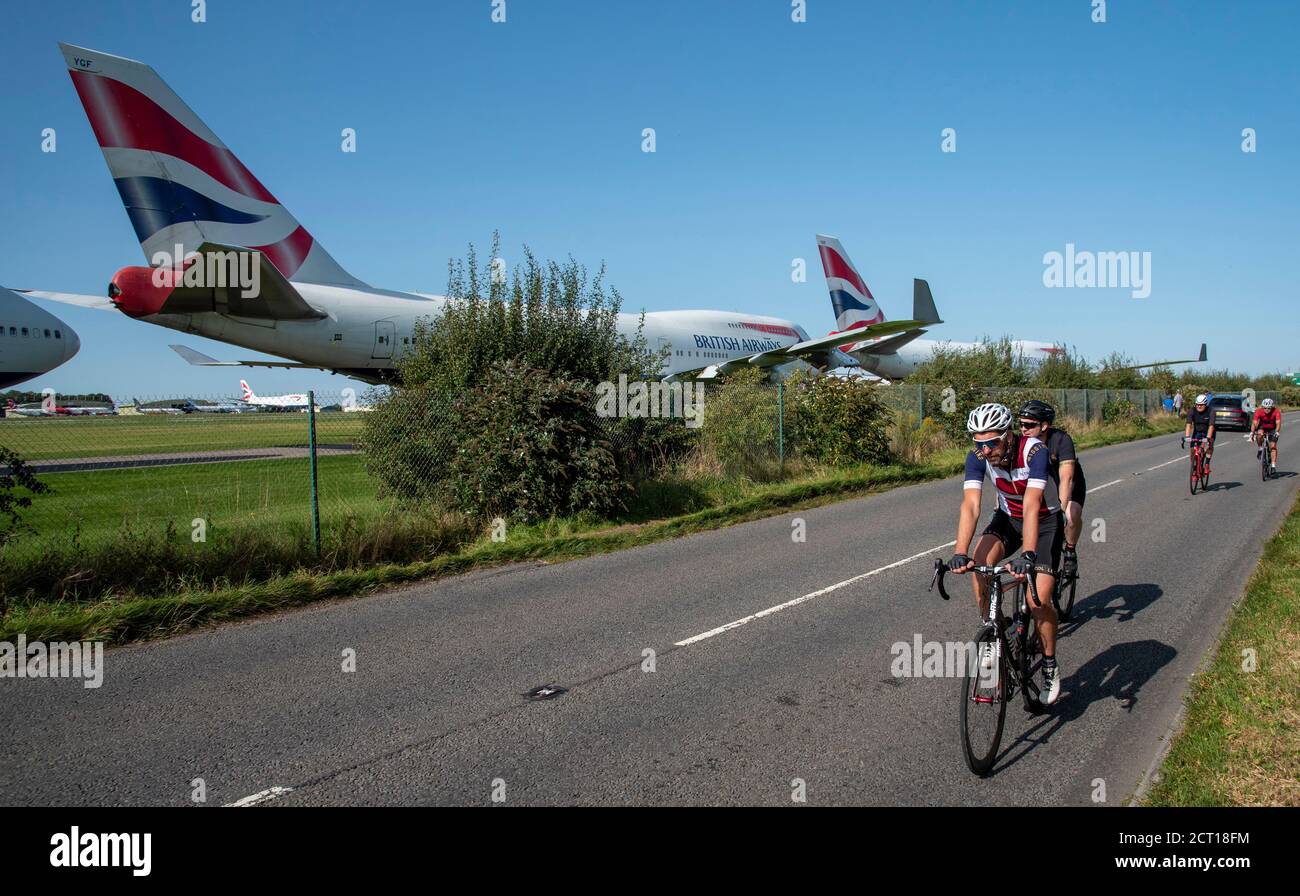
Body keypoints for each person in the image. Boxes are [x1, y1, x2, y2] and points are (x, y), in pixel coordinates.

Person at [948, 402, 1064, 706]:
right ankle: (993, 630)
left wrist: (1028, 554)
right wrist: (960, 552)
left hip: (1045, 521)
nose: (986, 450)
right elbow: (971, 504)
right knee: (980, 566)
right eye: (979, 443)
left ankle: (1050, 665)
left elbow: (1031, 503)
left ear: (1008, 434)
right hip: (1008, 518)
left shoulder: (1034, 452)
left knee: (1037, 599)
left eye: (992, 442)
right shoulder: (977, 457)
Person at [1017, 400, 1084, 579]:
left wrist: (1061, 510)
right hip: (1042, 484)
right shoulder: (1020, 443)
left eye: (1029, 425)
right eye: (1021, 424)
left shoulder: (1061, 440)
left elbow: (1066, 478)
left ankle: (1070, 551)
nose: (1024, 429)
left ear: (1045, 425)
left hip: (1067, 483)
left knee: (1071, 515)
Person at [1183, 393, 1216, 471]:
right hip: (1197, 431)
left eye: (1201, 405)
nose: (1199, 406)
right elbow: (1188, 424)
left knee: (1208, 446)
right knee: (1193, 450)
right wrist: (1187, 437)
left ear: (1206, 404)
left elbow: (1211, 426)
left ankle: (1207, 463)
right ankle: (1194, 468)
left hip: (1208, 431)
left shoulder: (1211, 411)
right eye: (1197, 404)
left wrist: (1208, 438)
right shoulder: (1192, 411)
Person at [1251, 397, 1281, 473]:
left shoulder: (1276, 411)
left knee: (1273, 446)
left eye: (1269, 408)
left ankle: (1273, 466)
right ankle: (1260, 448)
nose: (1267, 410)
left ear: (1272, 407)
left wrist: (1277, 432)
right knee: (1259, 434)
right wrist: (1252, 431)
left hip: (1272, 428)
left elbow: (1278, 423)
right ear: (1262, 407)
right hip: (1262, 427)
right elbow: (1254, 423)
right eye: (1265, 408)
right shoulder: (1258, 411)